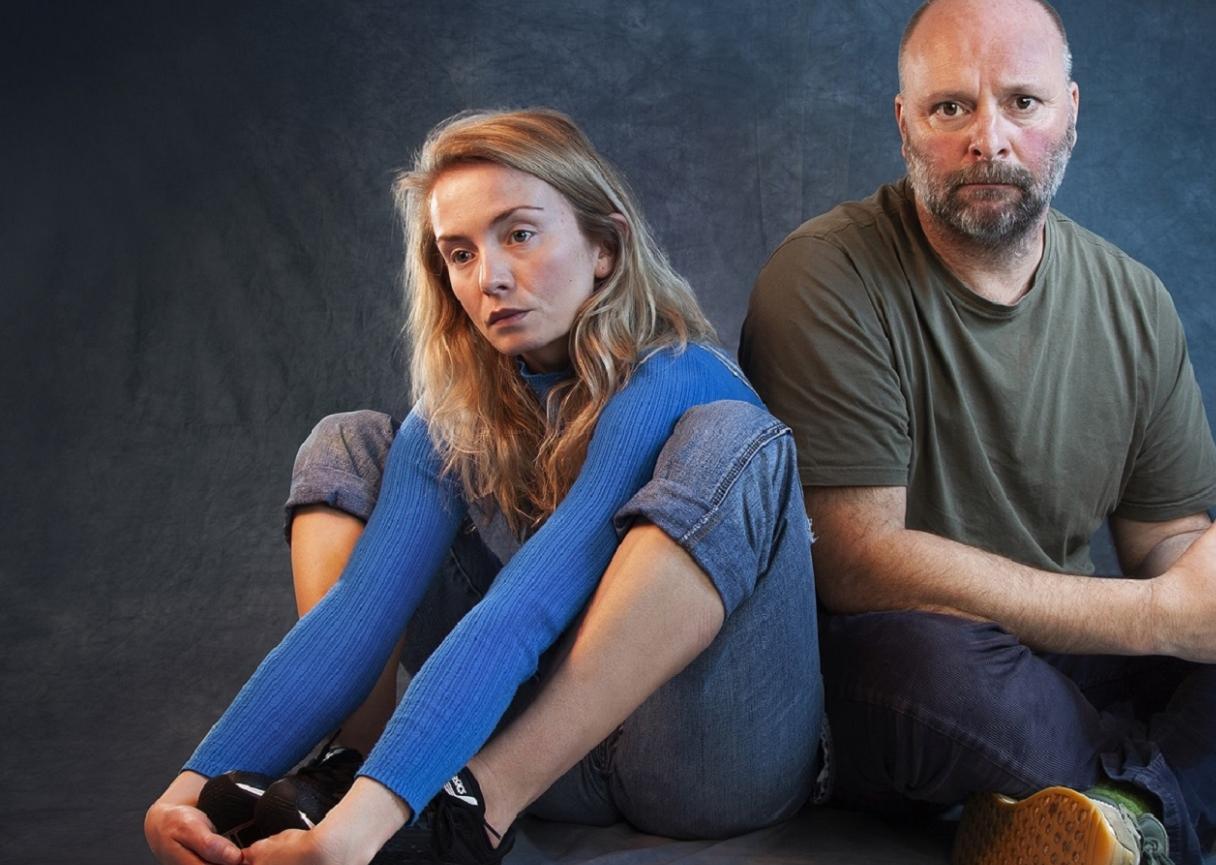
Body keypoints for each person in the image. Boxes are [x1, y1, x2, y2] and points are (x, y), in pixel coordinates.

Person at [738, 1, 1216, 864]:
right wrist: (1158, 614)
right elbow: (858, 559)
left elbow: (1163, 538)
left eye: (1022, 102)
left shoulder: (1134, 299)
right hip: (908, 660)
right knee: (932, 670)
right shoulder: (825, 274)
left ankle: (1132, 811)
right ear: (904, 123)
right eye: (950, 108)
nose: (989, 139)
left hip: (1079, 649)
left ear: (1071, 113)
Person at [144, 108, 824, 865]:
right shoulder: (462, 409)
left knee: (732, 436)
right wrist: (188, 788)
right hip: (554, 761)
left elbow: (524, 607)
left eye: (520, 235)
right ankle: (359, 770)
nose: (489, 276)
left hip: (705, 761)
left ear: (605, 247)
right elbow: (360, 610)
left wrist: (359, 838)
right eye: (459, 254)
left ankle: (448, 814)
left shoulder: (673, 375)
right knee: (348, 439)